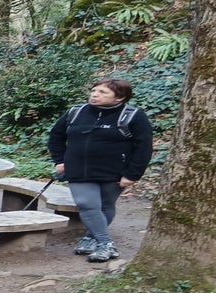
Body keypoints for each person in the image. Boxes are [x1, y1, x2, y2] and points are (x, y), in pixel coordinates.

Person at [47, 78, 153, 263]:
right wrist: (60, 160)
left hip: (115, 171)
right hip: (78, 169)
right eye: (94, 90)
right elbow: (56, 136)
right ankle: (106, 244)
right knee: (86, 204)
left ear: (119, 97)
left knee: (105, 206)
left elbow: (143, 148)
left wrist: (132, 174)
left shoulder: (133, 116)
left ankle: (90, 237)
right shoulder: (76, 112)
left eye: (102, 92)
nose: (95, 95)